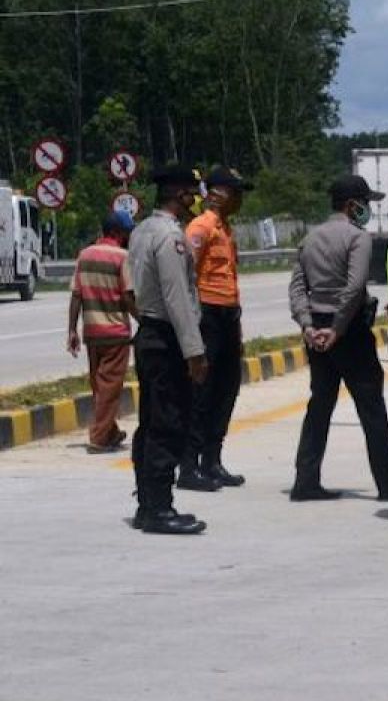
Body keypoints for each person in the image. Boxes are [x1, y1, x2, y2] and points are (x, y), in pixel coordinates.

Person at [288, 175, 388, 502]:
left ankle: (305, 481)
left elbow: (297, 288)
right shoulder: (357, 238)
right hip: (347, 330)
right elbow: (354, 288)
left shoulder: (310, 238)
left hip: (317, 332)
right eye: (365, 204)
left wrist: (309, 326)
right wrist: (336, 328)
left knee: (319, 405)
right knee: (371, 407)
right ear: (352, 205)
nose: (368, 210)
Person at [126, 167, 208, 535]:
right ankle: (159, 508)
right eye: (192, 192)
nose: (195, 199)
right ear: (178, 194)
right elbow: (178, 298)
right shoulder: (171, 236)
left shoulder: (142, 230)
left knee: (151, 421)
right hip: (167, 337)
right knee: (168, 422)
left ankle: (147, 502)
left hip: (148, 333)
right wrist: (194, 351)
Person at [180, 166, 254, 491]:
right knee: (202, 391)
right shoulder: (201, 226)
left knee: (226, 387)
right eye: (235, 191)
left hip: (227, 316)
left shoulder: (226, 228)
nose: (239, 198)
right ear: (218, 192)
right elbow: (186, 274)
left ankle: (212, 461)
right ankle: (189, 465)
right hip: (207, 315)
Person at [67, 211, 138, 454]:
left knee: (100, 384)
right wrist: (144, 320)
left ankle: (110, 432)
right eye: (128, 233)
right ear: (118, 233)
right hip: (116, 331)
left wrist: (71, 331)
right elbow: (128, 296)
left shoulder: (84, 255)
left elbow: (77, 295)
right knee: (110, 387)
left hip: (92, 332)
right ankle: (98, 437)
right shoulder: (122, 257)